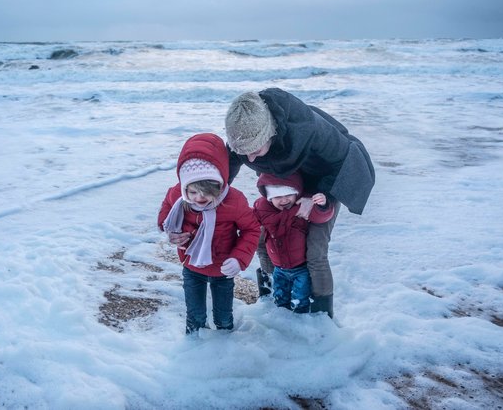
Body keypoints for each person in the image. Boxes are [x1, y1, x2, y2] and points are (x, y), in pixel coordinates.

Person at [224, 88, 375, 317]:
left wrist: (319, 197)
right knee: (264, 239)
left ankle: (320, 315)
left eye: (255, 151)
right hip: (281, 187)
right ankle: (273, 299)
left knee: (314, 251)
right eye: (244, 153)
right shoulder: (244, 136)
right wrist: (209, 198)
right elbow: (227, 167)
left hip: (324, 182)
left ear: (269, 133)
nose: (251, 159)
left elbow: (342, 162)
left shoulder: (311, 129)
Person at [158, 133, 260, 335]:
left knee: (223, 316)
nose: (200, 198)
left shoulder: (234, 200)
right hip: (191, 265)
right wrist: (169, 231)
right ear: (185, 186)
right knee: (195, 315)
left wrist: (238, 259)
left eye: (207, 191)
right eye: (193, 192)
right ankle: (194, 348)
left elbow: (252, 229)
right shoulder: (178, 194)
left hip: (222, 269)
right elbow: (166, 211)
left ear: (220, 182)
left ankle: (225, 343)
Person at [253, 172, 335, 313]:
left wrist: (323, 205)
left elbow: (321, 217)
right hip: (278, 268)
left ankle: (300, 318)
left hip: (300, 269)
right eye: (278, 196)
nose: (284, 200)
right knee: (280, 296)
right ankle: (281, 316)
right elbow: (249, 221)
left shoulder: (302, 207)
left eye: (288, 195)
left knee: (300, 298)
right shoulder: (262, 209)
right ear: (269, 198)